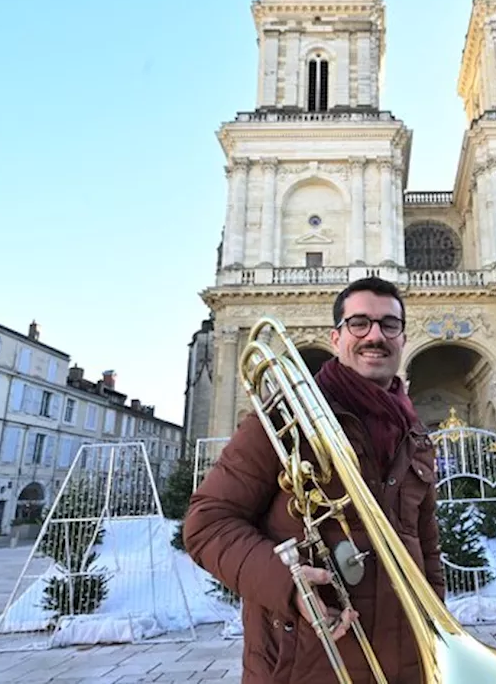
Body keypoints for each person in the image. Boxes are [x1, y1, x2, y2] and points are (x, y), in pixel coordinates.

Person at [183, 276, 443, 684]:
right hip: (307, 663)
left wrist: (440, 635)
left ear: (403, 339)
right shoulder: (283, 418)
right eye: (359, 323)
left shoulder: (415, 434)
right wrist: (287, 585)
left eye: (388, 325)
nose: (374, 336)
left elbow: (426, 548)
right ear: (336, 338)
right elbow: (206, 524)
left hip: (405, 665)